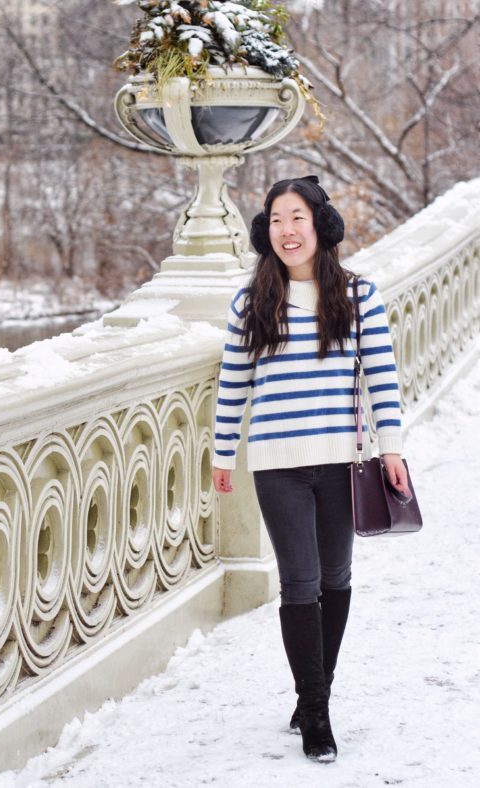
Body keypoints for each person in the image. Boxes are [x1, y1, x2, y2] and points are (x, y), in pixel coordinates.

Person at [211, 175, 410, 763]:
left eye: (296, 217)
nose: (286, 230)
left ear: (319, 226)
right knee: (299, 583)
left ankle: (312, 694)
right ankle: (316, 713)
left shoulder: (358, 296)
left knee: (336, 580)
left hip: (341, 462)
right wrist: (223, 454)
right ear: (265, 231)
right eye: (275, 220)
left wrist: (392, 447)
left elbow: (382, 375)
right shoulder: (251, 302)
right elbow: (234, 383)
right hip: (277, 465)